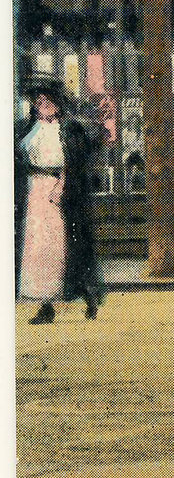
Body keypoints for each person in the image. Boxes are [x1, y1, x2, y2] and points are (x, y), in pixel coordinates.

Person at [16, 81, 106, 323]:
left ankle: (85, 294)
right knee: (36, 247)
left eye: (47, 101)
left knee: (59, 245)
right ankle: (45, 304)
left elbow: (72, 162)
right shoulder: (28, 129)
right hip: (34, 190)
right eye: (39, 101)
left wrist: (61, 186)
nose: (43, 105)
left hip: (59, 190)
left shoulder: (67, 130)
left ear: (57, 104)